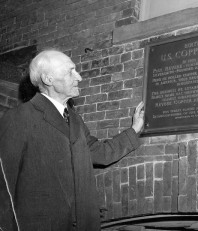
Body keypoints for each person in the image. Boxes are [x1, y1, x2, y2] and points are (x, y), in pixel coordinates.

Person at [0, 49, 145, 231]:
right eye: (70, 71)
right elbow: (3, 184)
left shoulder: (74, 119)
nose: (79, 77)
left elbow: (99, 152)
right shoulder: (19, 117)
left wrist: (134, 130)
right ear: (48, 79)